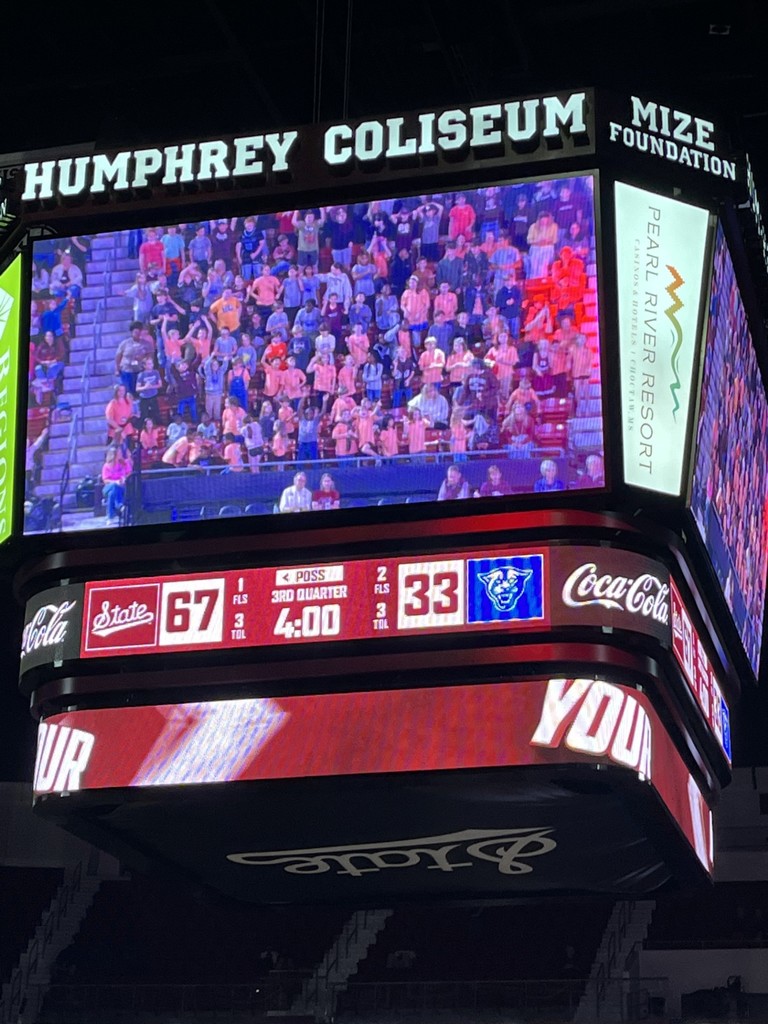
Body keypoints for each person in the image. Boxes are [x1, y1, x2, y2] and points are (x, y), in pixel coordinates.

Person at [101, 446, 131, 525]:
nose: (121, 454)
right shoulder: (106, 466)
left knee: (112, 494)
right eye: (119, 453)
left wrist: (124, 478)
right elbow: (105, 480)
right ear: (114, 455)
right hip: (108, 487)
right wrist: (115, 482)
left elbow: (129, 473)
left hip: (121, 487)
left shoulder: (124, 463)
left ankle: (110, 517)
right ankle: (119, 505)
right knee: (114, 487)